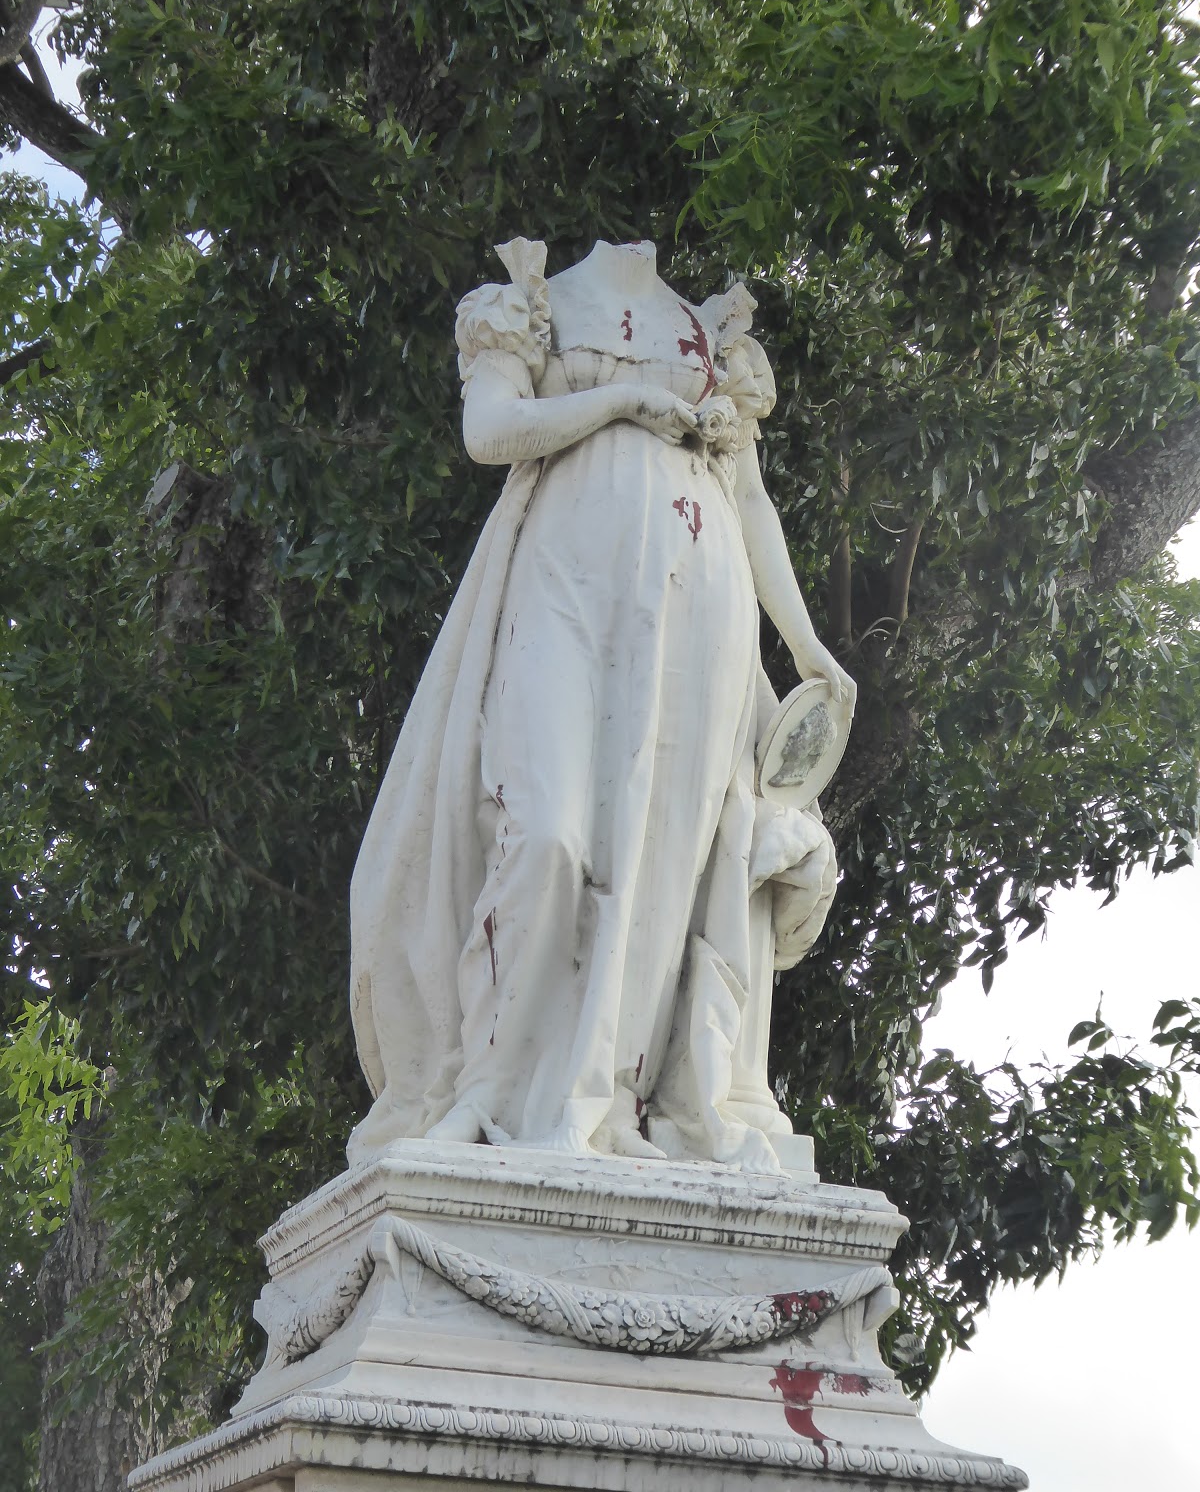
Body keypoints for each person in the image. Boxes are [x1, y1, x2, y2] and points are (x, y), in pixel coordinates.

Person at [347, 238, 854, 1171]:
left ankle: (611, 1097)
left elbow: (748, 498)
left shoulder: (713, 334)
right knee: (546, 833)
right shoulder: (530, 304)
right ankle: (493, 1090)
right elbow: (490, 432)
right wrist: (621, 403)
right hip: (563, 585)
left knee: (665, 856)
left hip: (699, 601)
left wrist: (805, 639)